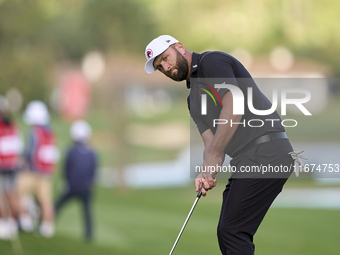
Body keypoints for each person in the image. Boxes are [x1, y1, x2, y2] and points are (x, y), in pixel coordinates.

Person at [144, 35, 302, 254]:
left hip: (266, 150)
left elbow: (234, 103)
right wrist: (205, 170)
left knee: (232, 231)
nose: (166, 67)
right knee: (228, 231)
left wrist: (215, 153)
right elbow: (212, 146)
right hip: (248, 159)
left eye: (165, 58)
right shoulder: (193, 100)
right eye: (160, 66)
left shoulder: (212, 62)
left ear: (179, 47)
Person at [17, 100, 59, 238]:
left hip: (33, 172)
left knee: (16, 193)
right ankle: (48, 227)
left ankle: (26, 220)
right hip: (47, 173)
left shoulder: (34, 132)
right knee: (46, 200)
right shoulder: (50, 132)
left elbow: (29, 152)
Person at [55, 120, 97, 242]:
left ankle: (47, 225)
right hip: (86, 187)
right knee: (87, 212)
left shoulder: (71, 151)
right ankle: (89, 236)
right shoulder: (91, 152)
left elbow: (66, 168)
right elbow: (94, 170)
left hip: (72, 186)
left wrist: (66, 182)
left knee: (58, 205)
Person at [0, 96, 23, 239]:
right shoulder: (13, 125)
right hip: (14, 165)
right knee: (11, 194)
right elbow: (19, 145)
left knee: (1, 196)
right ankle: (13, 225)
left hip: (2, 166)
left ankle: (3, 224)